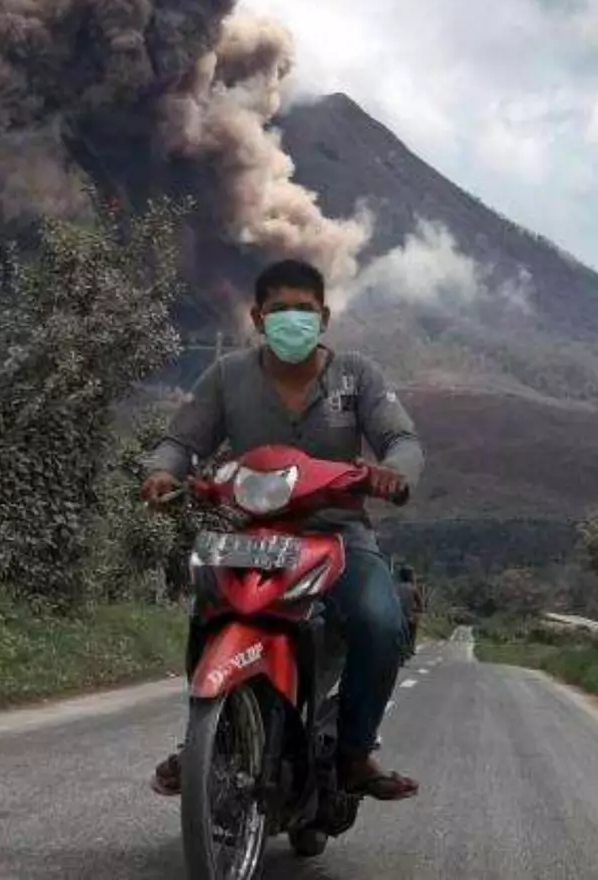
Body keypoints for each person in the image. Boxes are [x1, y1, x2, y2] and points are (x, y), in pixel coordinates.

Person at [140, 257, 425, 802]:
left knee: (380, 621)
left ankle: (355, 752)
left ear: (324, 317)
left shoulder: (356, 376)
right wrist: (162, 472)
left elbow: (401, 440)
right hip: (250, 535)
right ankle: (205, 735)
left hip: (338, 536)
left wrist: (396, 474)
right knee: (208, 609)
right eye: (279, 310)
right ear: (257, 316)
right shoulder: (228, 377)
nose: (292, 319)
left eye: (304, 310)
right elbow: (182, 441)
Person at [397, 564, 425, 657]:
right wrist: (419, 610)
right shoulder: (413, 589)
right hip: (408, 617)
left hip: (396, 616)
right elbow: (421, 605)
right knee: (413, 629)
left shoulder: (396, 587)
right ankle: (411, 647)